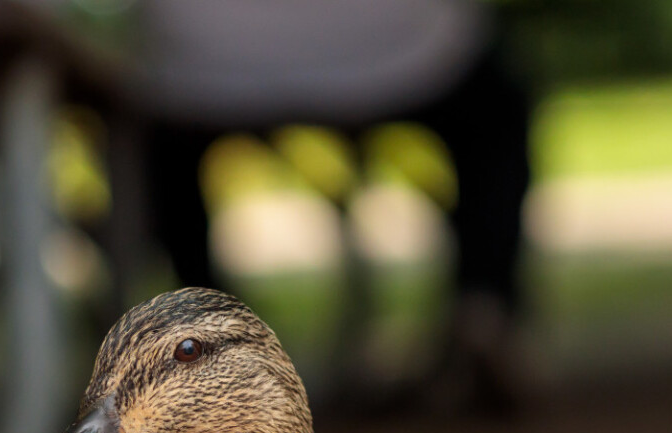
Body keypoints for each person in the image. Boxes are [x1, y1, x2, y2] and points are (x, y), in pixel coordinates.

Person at [132, 0, 534, 411]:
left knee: (155, 146)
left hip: (209, 58)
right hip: (402, 46)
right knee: (496, 111)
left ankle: (208, 344)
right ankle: (483, 305)